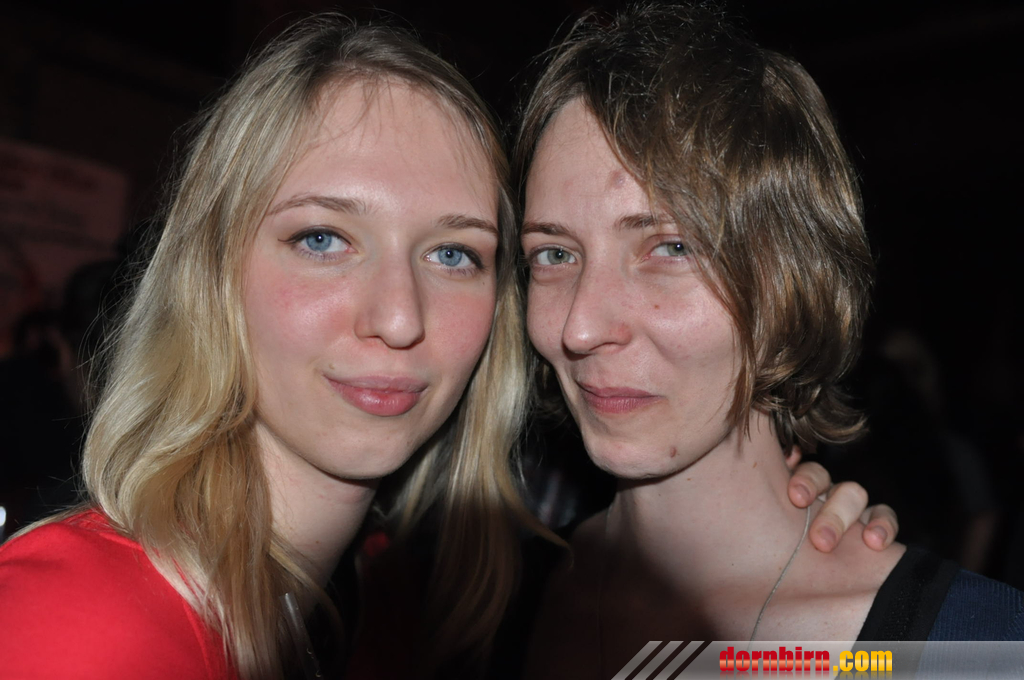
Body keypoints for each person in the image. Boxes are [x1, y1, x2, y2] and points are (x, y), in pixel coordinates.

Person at [0, 12, 896, 680]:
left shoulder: (414, 612)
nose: (399, 317)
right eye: (322, 238)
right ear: (208, 270)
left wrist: (901, 618)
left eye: (454, 253)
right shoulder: (73, 628)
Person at [514, 4, 1023, 677]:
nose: (579, 327)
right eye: (554, 254)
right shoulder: (480, 604)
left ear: (790, 280)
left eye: (670, 247)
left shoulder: (977, 651)